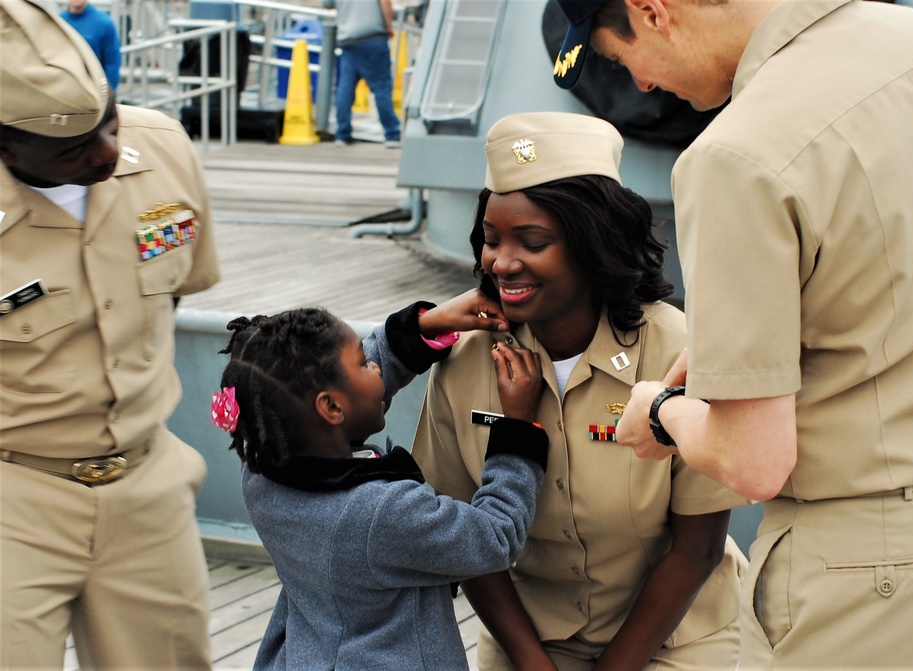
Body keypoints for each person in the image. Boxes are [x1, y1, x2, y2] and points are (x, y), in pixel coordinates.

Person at [550, 0, 913, 668]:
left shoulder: (737, 154)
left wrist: (662, 412)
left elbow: (752, 460)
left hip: (866, 563)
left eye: (622, 59)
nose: (640, 85)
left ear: (652, 11)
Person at [412, 111, 750, 671]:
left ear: (594, 244)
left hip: (674, 635)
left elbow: (697, 549)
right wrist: (530, 660)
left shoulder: (676, 350)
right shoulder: (464, 360)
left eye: (533, 241)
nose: (502, 261)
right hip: (529, 641)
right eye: (491, 240)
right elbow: (461, 538)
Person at [0, 0, 220, 667]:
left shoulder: (161, 148)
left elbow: (180, 289)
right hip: (15, 495)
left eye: (109, 121)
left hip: (147, 484)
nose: (107, 152)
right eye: (74, 148)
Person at [216, 291, 549, 670]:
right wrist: (518, 428)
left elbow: (337, 389)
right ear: (331, 408)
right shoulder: (381, 514)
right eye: (363, 363)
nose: (375, 367)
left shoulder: (263, 466)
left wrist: (422, 328)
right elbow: (495, 536)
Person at [333, 0, 402, 148]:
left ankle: (342, 133)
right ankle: (392, 134)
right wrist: (389, 27)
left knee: (345, 88)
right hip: (373, 37)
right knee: (381, 88)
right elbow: (385, 2)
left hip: (348, 40)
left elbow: (327, 4)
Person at [60, 0, 121, 90]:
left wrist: (108, 96)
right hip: (65, 90)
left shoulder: (104, 23)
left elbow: (112, 63)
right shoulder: (58, 22)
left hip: (93, 91)